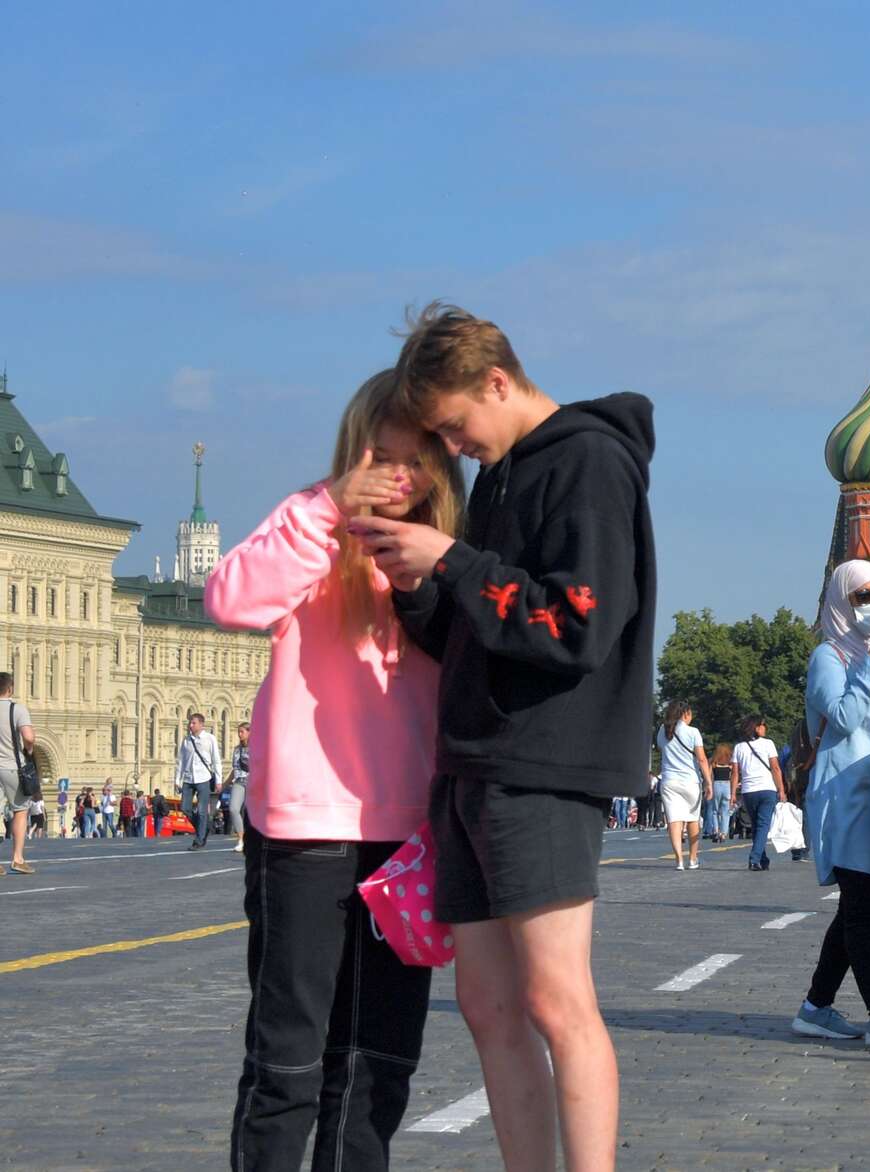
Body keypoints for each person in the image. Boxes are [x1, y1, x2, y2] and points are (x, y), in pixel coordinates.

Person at [363, 303, 657, 1172]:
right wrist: (415, 580)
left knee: (557, 1001)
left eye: (455, 424)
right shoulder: (500, 473)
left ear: (498, 381)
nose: (453, 446)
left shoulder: (591, 462)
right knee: (488, 1006)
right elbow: (475, 631)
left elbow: (576, 626)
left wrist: (450, 561)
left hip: (543, 764)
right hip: (473, 765)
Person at [206, 367, 463, 1169]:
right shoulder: (311, 527)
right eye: (380, 457)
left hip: (408, 841)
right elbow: (231, 600)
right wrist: (327, 508)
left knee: (377, 1065)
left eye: (417, 459)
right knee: (286, 1059)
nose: (397, 477)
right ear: (353, 453)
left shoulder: (452, 552)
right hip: (304, 833)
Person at [792, 559, 870, 1046]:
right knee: (862, 907)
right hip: (846, 795)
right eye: (863, 596)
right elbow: (842, 719)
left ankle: (815, 1007)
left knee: (855, 908)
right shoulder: (830, 656)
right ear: (842, 602)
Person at [657, 702, 710, 871]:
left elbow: (661, 749)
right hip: (690, 781)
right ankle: (693, 858)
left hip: (669, 781)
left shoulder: (662, 731)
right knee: (692, 819)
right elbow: (701, 759)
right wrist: (708, 782)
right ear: (685, 713)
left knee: (674, 820)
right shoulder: (693, 732)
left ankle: (679, 860)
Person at [731, 716, 785, 870]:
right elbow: (775, 768)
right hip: (767, 789)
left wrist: (733, 794)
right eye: (763, 725)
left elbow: (735, 773)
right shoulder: (768, 744)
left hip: (748, 792)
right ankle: (754, 859)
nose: (765, 728)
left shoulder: (739, 747)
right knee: (763, 826)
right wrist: (781, 789)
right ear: (756, 727)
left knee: (756, 826)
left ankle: (763, 859)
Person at [176, 713, 223, 851]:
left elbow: (216, 760)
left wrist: (219, 781)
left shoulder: (210, 739)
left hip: (204, 779)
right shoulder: (186, 740)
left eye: (193, 723)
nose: (190, 725)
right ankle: (204, 828)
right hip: (189, 779)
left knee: (202, 811)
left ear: (201, 725)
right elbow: (181, 761)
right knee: (185, 808)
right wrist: (177, 780)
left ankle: (199, 840)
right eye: (190, 723)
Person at [227, 722, 253, 852]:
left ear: (249, 732)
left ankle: (253, 840)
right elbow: (235, 769)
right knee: (233, 809)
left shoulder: (257, 747)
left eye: (242, 731)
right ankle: (241, 839)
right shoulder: (237, 749)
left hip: (253, 782)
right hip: (239, 781)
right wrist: (224, 783)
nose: (239, 734)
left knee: (251, 812)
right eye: (239, 732)